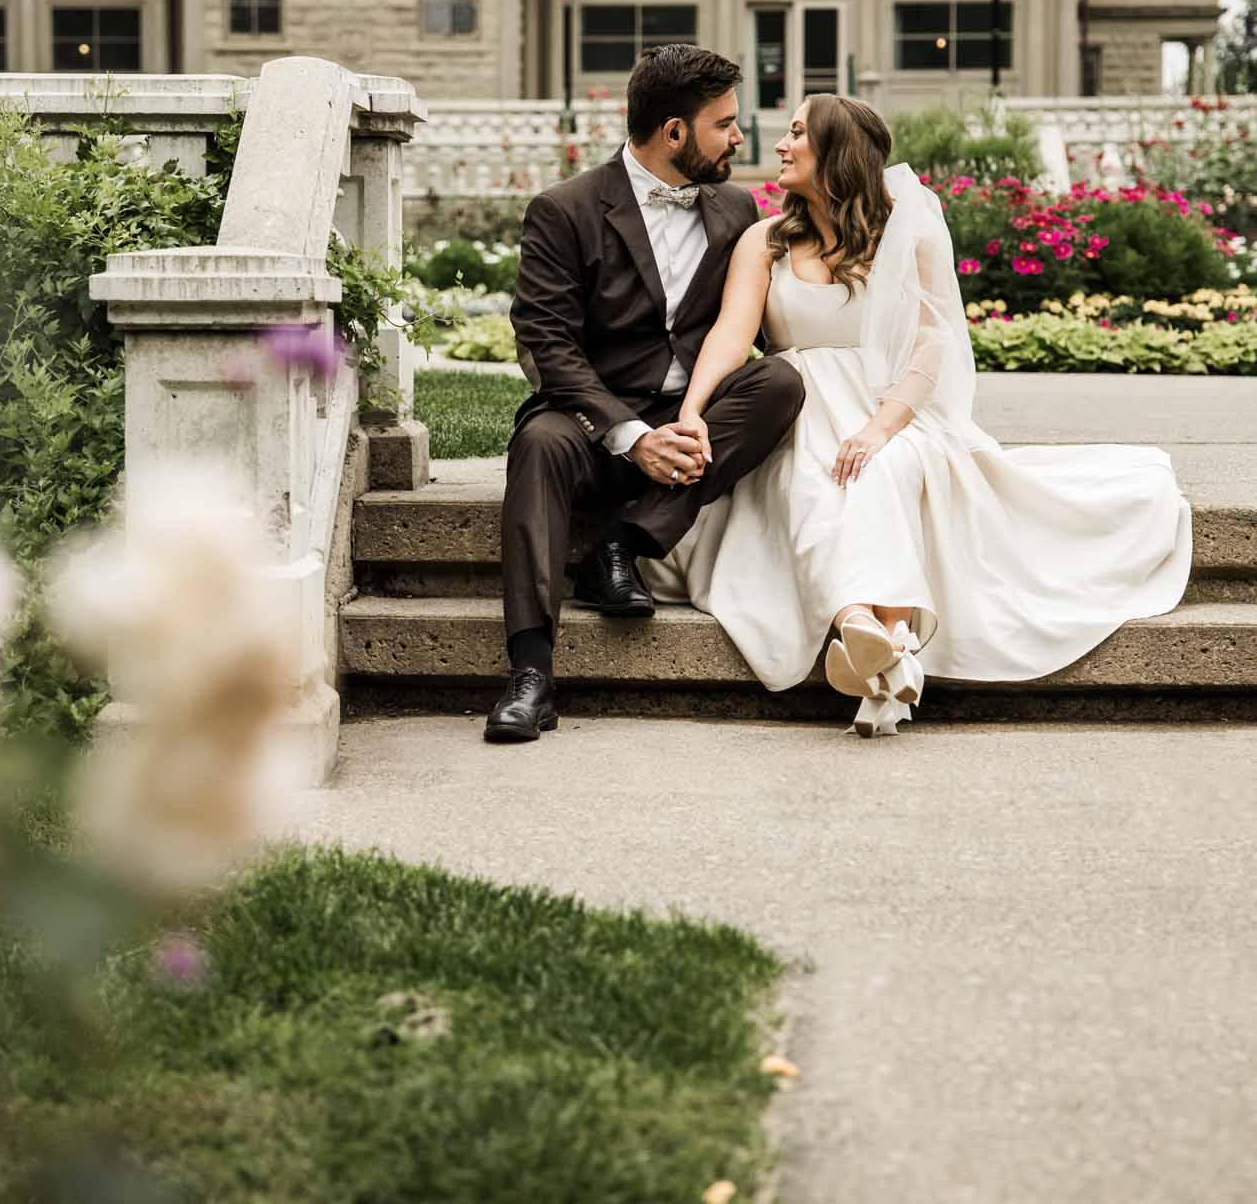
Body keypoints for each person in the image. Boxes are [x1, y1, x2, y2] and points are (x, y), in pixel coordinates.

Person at [644, 94, 1192, 735]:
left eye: (797, 133)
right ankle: (877, 640)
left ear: (836, 152)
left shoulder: (904, 232)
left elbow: (931, 346)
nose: (781, 144)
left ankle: (877, 639)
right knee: (812, 480)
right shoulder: (765, 240)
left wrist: (881, 428)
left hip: (889, 405)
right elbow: (732, 336)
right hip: (794, 403)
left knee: (888, 470)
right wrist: (692, 411)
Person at [485, 43, 806, 743]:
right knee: (537, 446)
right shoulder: (563, 209)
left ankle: (622, 545)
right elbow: (546, 348)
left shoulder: (734, 207)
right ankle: (531, 674)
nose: (738, 137)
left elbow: (744, 329)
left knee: (780, 382)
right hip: (589, 420)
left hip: (689, 417)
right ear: (673, 132)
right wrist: (632, 435)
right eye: (724, 124)